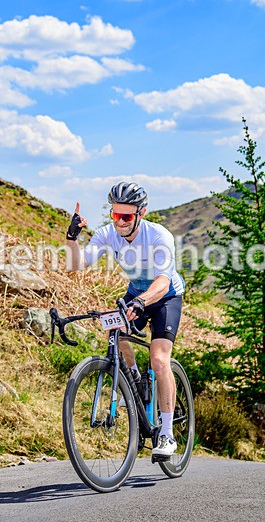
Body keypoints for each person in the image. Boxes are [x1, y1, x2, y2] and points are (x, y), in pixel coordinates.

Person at [65, 182, 185, 459]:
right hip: (136, 293)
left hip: (165, 295)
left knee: (158, 359)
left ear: (140, 213)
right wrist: (72, 239)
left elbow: (164, 281)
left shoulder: (159, 236)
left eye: (126, 217)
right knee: (114, 332)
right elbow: (76, 265)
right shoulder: (109, 234)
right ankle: (133, 379)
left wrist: (142, 302)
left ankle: (166, 433)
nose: (119, 222)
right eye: (115, 215)